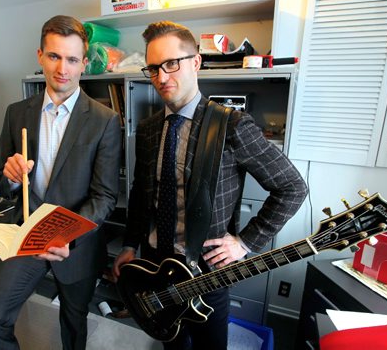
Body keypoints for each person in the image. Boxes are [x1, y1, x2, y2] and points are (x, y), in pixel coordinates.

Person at [112, 21, 308, 350]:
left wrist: (245, 242)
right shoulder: (146, 130)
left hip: (206, 275)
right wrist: (130, 245)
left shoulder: (232, 125)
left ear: (196, 62)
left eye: (171, 64)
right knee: (172, 344)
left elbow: (292, 188)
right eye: (153, 68)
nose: (161, 77)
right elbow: (140, 195)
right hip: (154, 268)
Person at [0, 15, 121, 350]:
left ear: (83, 64)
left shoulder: (105, 120)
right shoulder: (16, 112)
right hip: (24, 233)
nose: (62, 68)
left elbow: (105, 195)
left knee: (74, 324)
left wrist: (69, 234)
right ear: (40, 56)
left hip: (76, 243)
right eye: (54, 56)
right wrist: (8, 176)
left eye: (72, 59)